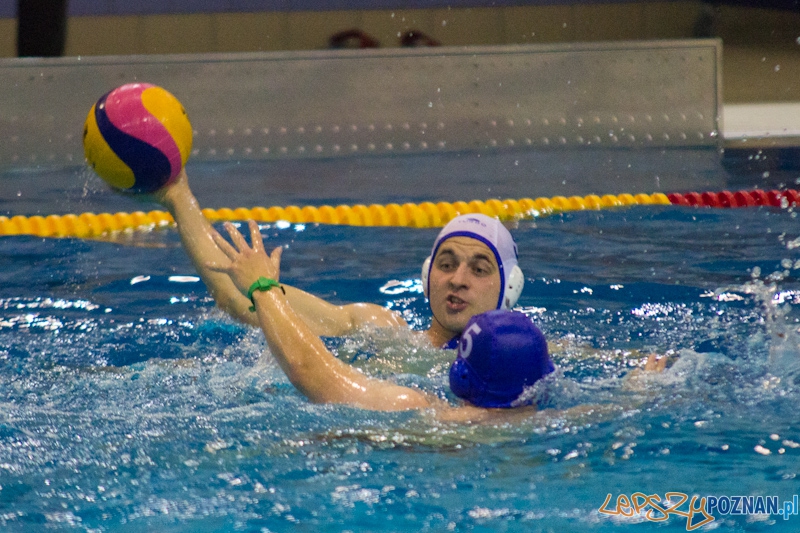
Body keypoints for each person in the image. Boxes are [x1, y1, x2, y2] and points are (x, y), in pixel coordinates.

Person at [153, 169, 523, 349]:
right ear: (427, 278)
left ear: (508, 290)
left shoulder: (534, 356)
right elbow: (242, 298)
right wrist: (177, 195)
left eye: (479, 269)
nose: (458, 279)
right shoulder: (380, 332)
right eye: (446, 264)